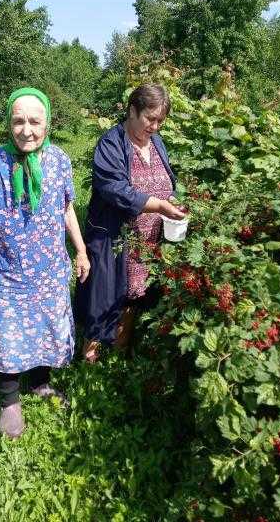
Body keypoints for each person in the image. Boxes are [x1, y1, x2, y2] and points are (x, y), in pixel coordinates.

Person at [0, 87, 90, 438]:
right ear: (9, 122)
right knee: (7, 331)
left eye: (35, 121)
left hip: (49, 269)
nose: (27, 129)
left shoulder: (60, 161)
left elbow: (66, 209)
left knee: (47, 324)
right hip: (3, 271)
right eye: (18, 120)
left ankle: (40, 382)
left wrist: (80, 249)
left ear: (48, 123)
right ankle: (9, 401)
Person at [75, 83, 185, 361]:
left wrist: (172, 202)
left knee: (132, 300)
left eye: (161, 120)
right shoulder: (111, 143)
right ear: (132, 111)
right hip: (115, 238)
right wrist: (158, 204)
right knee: (103, 301)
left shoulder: (157, 143)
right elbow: (114, 189)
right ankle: (89, 366)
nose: (156, 126)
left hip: (146, 242)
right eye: (150, 118)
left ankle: (118, 357)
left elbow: (166, 182)